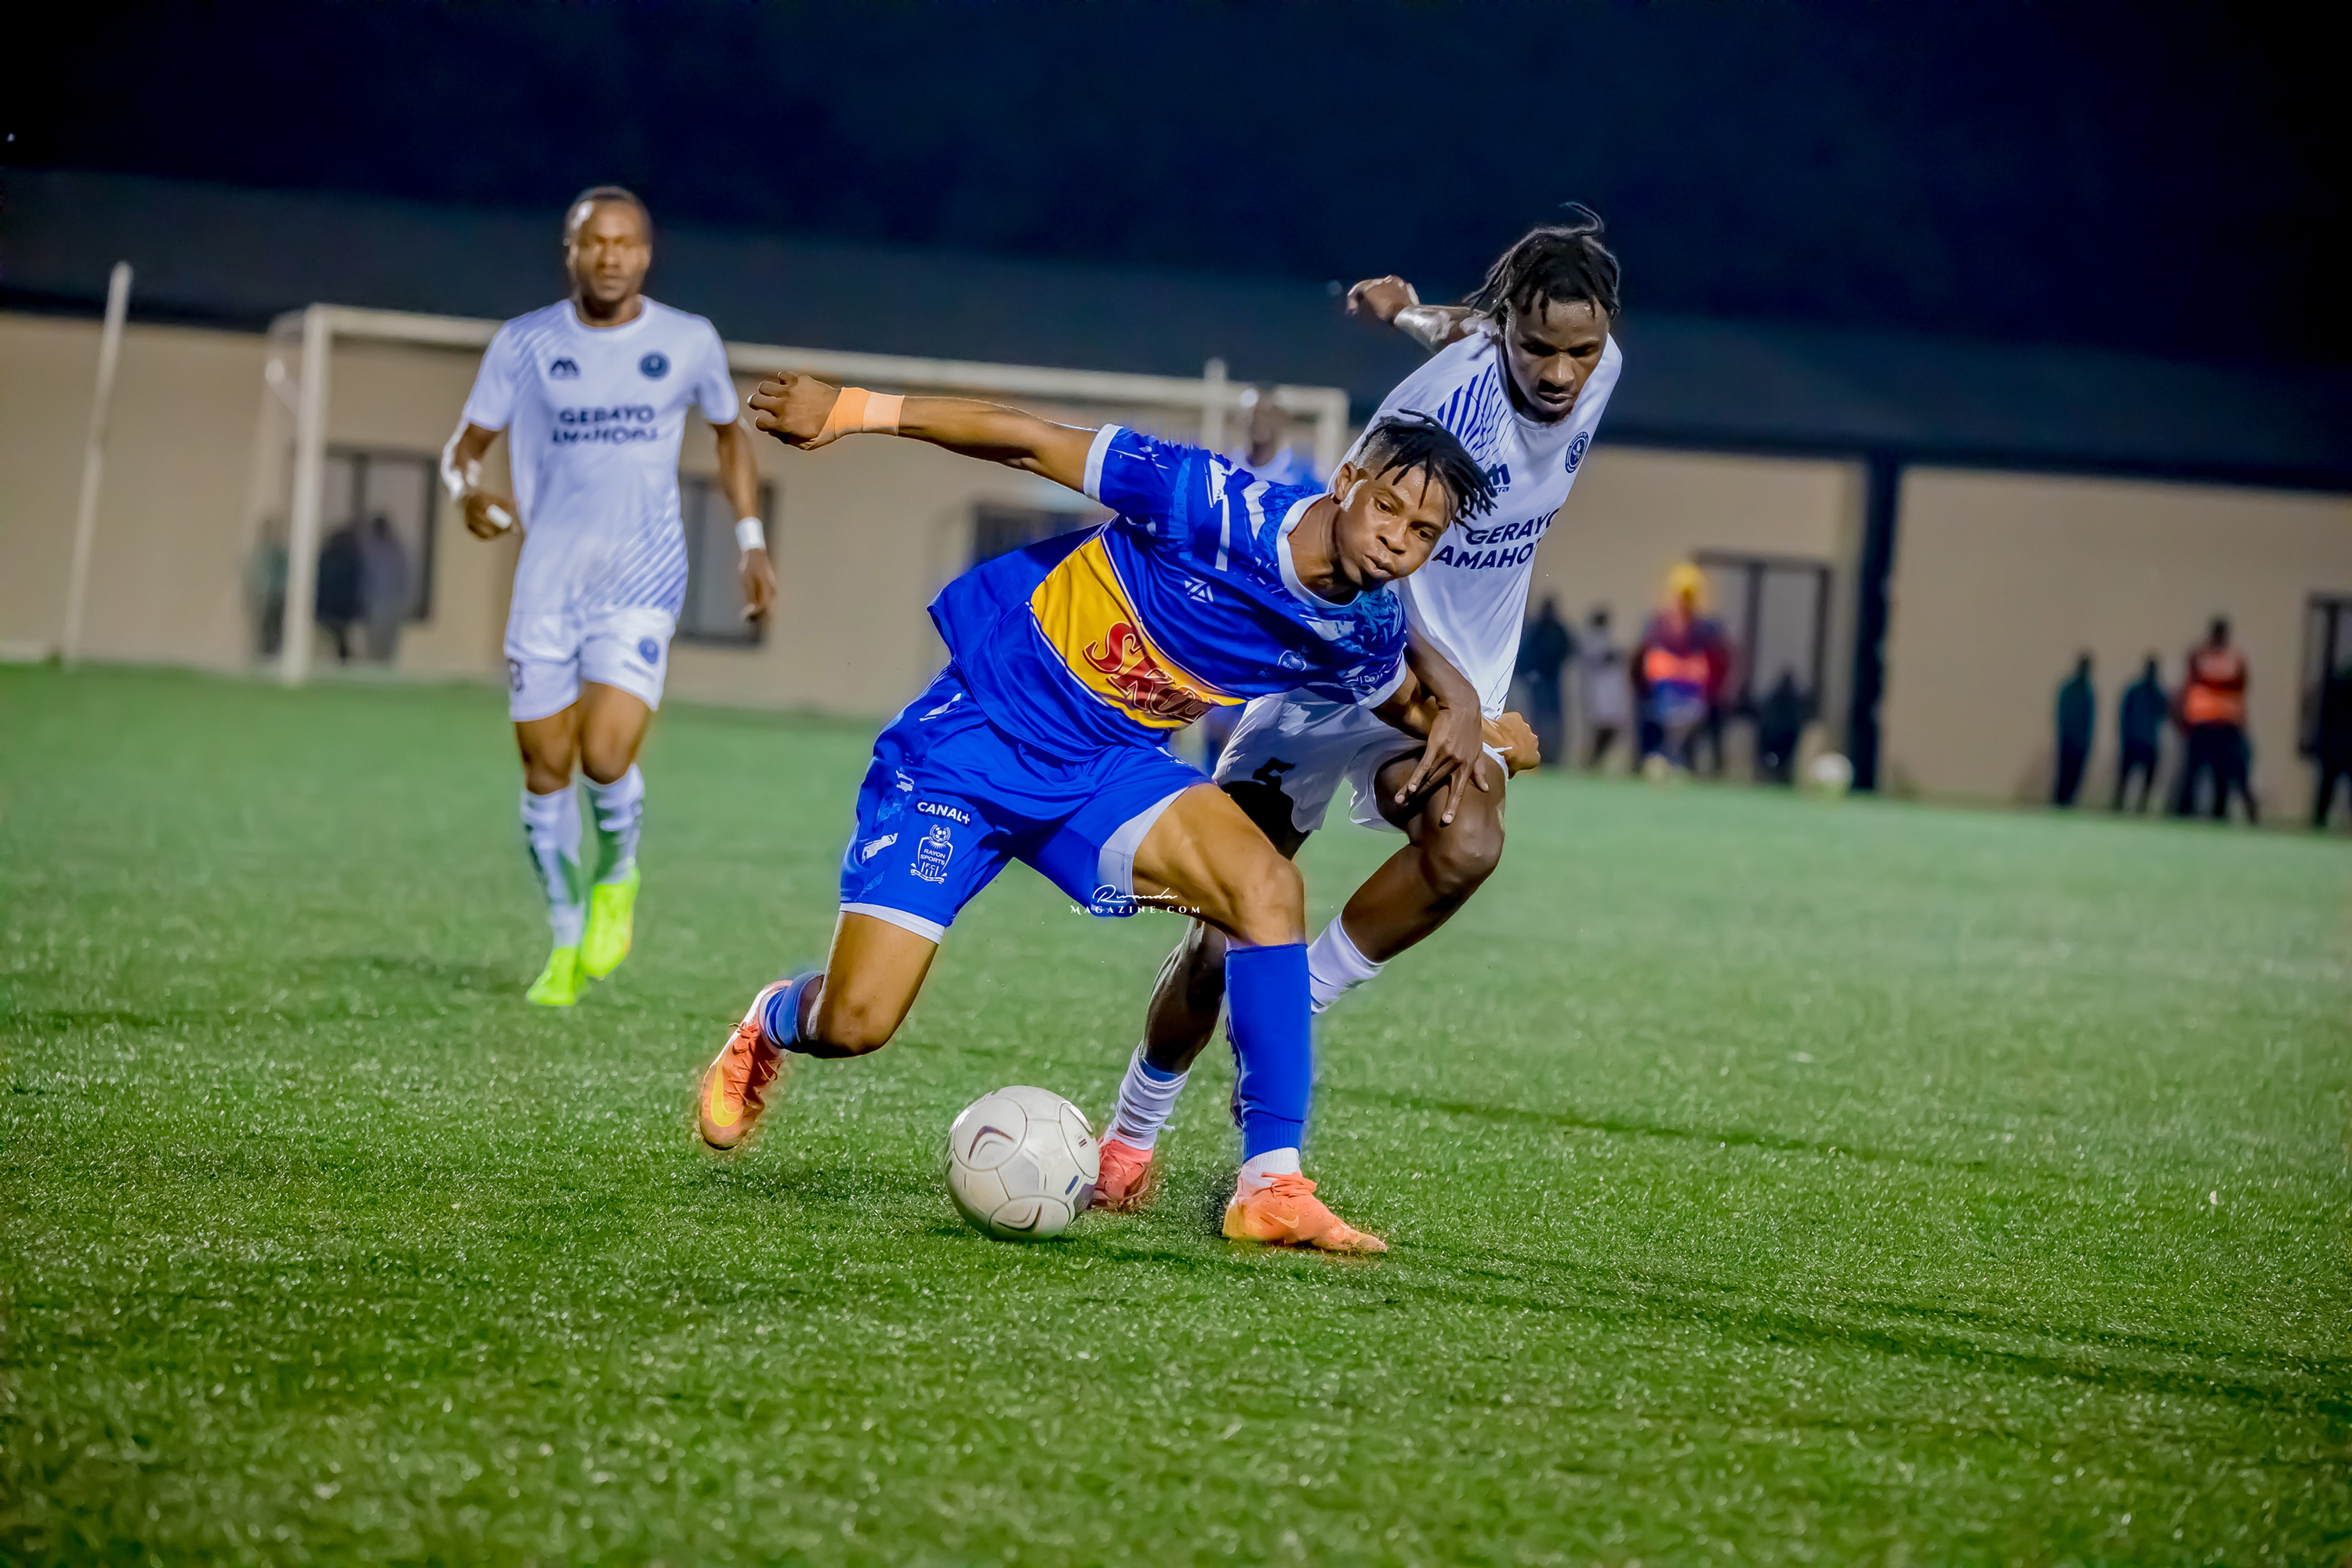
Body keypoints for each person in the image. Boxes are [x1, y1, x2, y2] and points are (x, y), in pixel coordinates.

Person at [697, 374, 1501, 1255]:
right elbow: (1026, 438)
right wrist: (853, 410)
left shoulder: (1364, 626)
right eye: (1388, 508)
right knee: (856, 1024)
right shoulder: (1204, 500)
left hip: (1107, 772)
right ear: (1347, 481)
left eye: (1423, 532)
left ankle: (1271, 1185)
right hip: (970, 749)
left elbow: (1406, 702)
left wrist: (1478, 719)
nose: (1397, 539)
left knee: (1266, 888)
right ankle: (773, 1019)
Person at [1092, 212, 1620, 1210]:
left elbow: (1471, 323)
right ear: (1511, 329)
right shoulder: (1435, 406)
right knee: (1219, 936)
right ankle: (1129, 1136)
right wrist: (1462, 709)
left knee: (1466, 842)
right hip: (1336, 661)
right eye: (1538, 348)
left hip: (1446, 688)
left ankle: (1297, 997)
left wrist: (1411, 310)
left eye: (1581, 351)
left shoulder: (1588, 362)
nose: (1561, 373)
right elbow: (1352, 557)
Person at [442, 186, 776, 1006]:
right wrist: (466, 494)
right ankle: (564, 938)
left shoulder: (687, 340)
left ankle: (618, 873)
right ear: (571, 251)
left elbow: (730, 435)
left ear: (646, 254)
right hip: (546, 581)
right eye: (595, 242)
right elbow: (463, 449)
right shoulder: (524, 344)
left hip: (642, 575)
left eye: (625, 243)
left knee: (603, 755)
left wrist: (750, 538)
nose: (610, 256)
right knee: (544, 769)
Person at [1199, 387, 1327, 769]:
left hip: (1273, 623)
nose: (1259, 423)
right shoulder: (1221, 472)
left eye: (1267, 415)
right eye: (1252, 415)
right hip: (1221, 615)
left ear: (1281, 422)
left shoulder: (1304, 484)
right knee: (1212, 723)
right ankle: (1204, 787)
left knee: (1257, 731)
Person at [1633, 563, 1730, 769]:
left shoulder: (1706, 628)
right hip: (1662, 698)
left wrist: (1675, 667)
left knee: (1694, 731)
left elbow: (1703, 670)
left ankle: (1677, 760)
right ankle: (1662, 758)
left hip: (1696, 702)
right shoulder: (1658, 624)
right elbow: (1654, 666)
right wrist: (1684, 668)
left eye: (1690, 595)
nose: (1686, 601)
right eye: (1682, 594)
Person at [2171, 617, 2255, 822]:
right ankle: (2186, 810)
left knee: (2221, 773)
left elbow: (2240, 693)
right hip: (2204, 724)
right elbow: (2189, 688)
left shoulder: (2227, 659)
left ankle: (2216, 812)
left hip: (2223, 725)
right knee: (2194, 772)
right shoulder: (2205, 657)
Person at [1514, 597, 1575, 767]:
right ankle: (1538, 754)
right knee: (1537, 719)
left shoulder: (1558, 630)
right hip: (1538, 682)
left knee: (1554, 720)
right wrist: (1530, 672)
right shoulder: (1536, 630)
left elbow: (1569, 648)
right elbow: (1525, 654)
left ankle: (1553, 756)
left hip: (1552, 681)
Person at [1223, 383, 1320, 489]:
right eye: (1255, 414)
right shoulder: (1227, 469)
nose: (1259, 421)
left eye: (1267, 414)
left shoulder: (1300, 477)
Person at [2113, 655, 2166, 812]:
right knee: (2124, 775)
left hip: (2147, 741)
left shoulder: (2156, 693)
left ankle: (2141, 804)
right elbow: (2124, 714)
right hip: (2135, 740)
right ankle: (2120, 802)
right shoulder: (2137, 691)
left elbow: (2163, 713)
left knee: (2148, 775)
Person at [358, 514, 412, 664]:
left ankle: (382, 664)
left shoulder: (390, 550)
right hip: (380, 603)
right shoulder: (377, 550)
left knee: (384, 644)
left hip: (386, 603)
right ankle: (377, 664)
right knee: (377, 644)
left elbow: (403, 578)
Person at [1581, 605, 1630, 768]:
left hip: (1610, 691)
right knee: (1604, 728)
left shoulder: (1605, 637)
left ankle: (1594, 762)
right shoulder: (1591, 639)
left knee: (1613, 728)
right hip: (1600, 691)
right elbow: (1601, 657)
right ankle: (1591, 762)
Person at [314, 519, 363, 664]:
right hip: (340, 610)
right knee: (338, 639)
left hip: (330, 609)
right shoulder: (350, 559)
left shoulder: (328, 557)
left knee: (334, 639)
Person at [2053, 652, 2095, 808]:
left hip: (2081, 741)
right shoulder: (2070, 689)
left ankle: (2068, 801)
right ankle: (2059, 801)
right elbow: (2062, 714)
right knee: (2064, 772)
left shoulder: (2088, 691)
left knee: (2076, 775)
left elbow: (2090, 718)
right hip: (2069, 739)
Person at [1754, 668, 1808, 785]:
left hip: (1785, 736)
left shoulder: (1793, 701)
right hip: (1773, 736)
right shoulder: (1775, 699)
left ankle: (1780, 773)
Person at [2314, 661, 2352, 829]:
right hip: (2341, 744)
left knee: (2327, 785)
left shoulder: (2334, 683)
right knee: (2328, 784)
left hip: (2333, 744)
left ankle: (2319, 819)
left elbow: (2325, 717)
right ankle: (2320, 818)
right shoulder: (2336, 684)